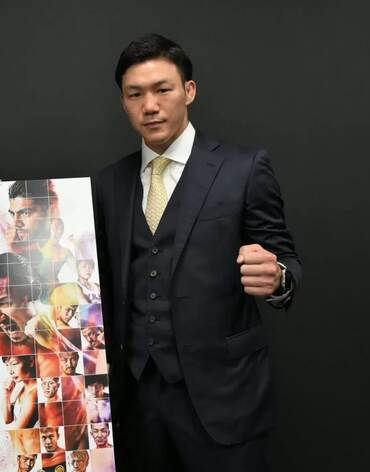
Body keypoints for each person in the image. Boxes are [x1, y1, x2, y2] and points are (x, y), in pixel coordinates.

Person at [93, 34, 302, 471]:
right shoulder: (108, 183)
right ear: (124, 102)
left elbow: (285, 260)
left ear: (189, 90)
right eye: (135, 94)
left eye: (162, 89)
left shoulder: (244, 168)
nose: (150, 106)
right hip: (136, 404)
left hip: (224, 395)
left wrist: (278, 277)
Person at [2, 355, 38, 428]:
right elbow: (7, 420)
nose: (10, 371)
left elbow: (18, 430)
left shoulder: (33, 394)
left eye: (14, 364)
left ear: (31, 361)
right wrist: (6, 394)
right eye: (7, 365)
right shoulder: (20, 387)